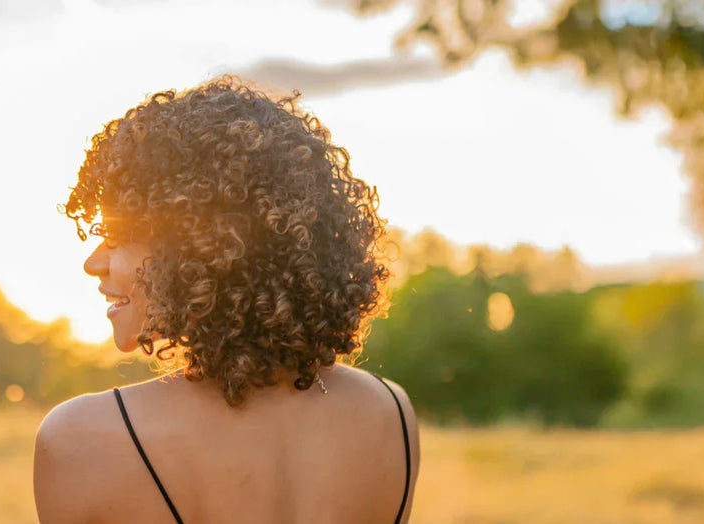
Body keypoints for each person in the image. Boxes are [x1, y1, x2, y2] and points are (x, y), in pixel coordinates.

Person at [34, 76, 419, 524]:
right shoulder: (391, 411)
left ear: (202, 248)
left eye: (119, 239)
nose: (92, 263)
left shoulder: (82, 437)